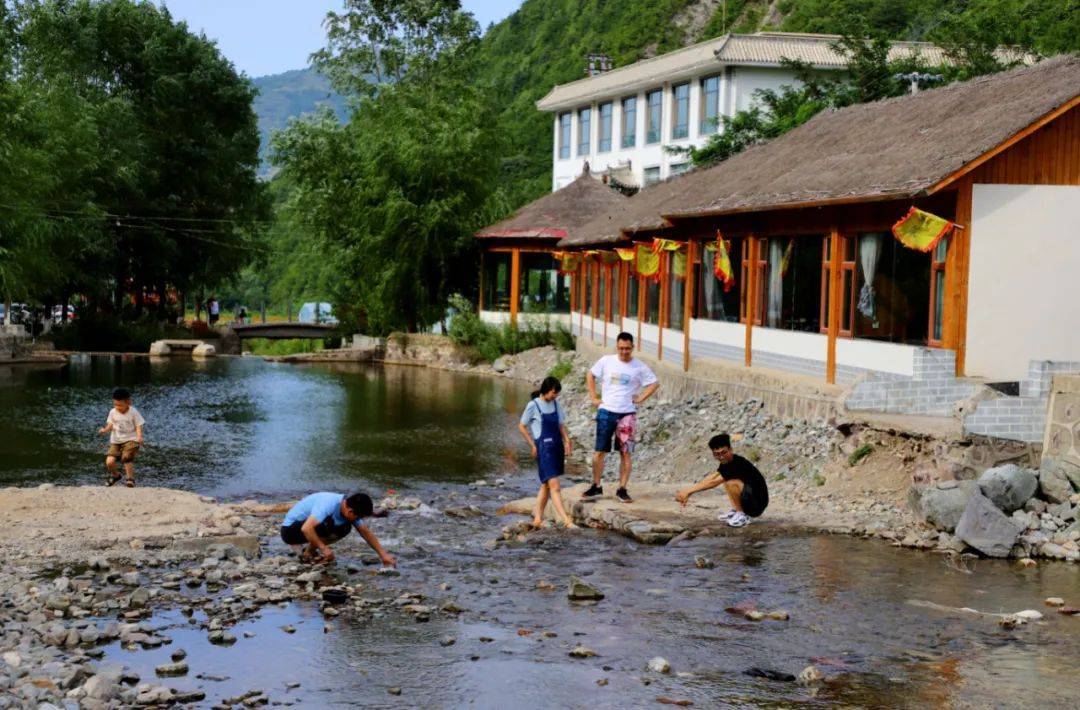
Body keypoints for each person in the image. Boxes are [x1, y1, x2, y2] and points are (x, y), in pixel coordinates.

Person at [584, 332, 659, 504]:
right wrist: (593, 396)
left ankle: (622, 489)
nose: (624, 351)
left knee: (625, 453)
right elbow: (590, 374)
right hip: (606, 411)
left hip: (627, 414)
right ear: (616, 347)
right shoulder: (606, 361)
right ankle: (596, 485)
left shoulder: (639, 366)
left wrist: (640, 398)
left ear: (633, 347)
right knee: (599, 451)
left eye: (627, 348)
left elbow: (654, 383)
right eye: (621, 348)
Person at [517, 376, 577, 529]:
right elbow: (522, 426)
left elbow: (561, 425)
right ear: (545, 390)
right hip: (543, 449)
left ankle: (537, 518)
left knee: (546, 484)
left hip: (556, 447)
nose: (555, 396)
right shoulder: (533, 405)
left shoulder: (556, 404)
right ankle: (566, 520)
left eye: (557, 394)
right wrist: (533, 445)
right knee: (555, 485)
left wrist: (567, 441)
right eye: (553, 393)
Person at [675, 433, 769, 528]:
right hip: (750, 498)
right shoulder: (726, 463)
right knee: (726, 481)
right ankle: (736, 510)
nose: (721, 457)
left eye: (724, 452)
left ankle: (743, 515)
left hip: (757, 504)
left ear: (730, 450)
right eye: (717, 454)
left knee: (731, 482)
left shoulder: (738, 463)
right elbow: (713, 477)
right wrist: (688, 492)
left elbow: (713, 482)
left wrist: (689, 491)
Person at [281, 491, 396, 566]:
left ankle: (307, 554)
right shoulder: (329, 504)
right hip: (289, 531)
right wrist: (324, 549)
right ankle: (309, 553)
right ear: (350, 511)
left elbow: (365, 532)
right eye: (359, 517)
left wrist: (383, 555)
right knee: (327, 524)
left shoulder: (350, 509)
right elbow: (306, 528)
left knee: (345, 528)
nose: (359, 519)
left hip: (307, 528)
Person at [99, 387, 145, 488]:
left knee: (126, 457)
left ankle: (130, 479)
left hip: (131, 439)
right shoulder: (112, 412)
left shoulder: (133, 412)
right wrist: (105, 430)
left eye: (120, 405)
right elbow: (110, 424)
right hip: (116, 441)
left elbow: (138, 425)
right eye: (115, 404)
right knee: (109, 462)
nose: (117, 407)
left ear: (128, 402)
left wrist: (139, 437)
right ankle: (116, 475)